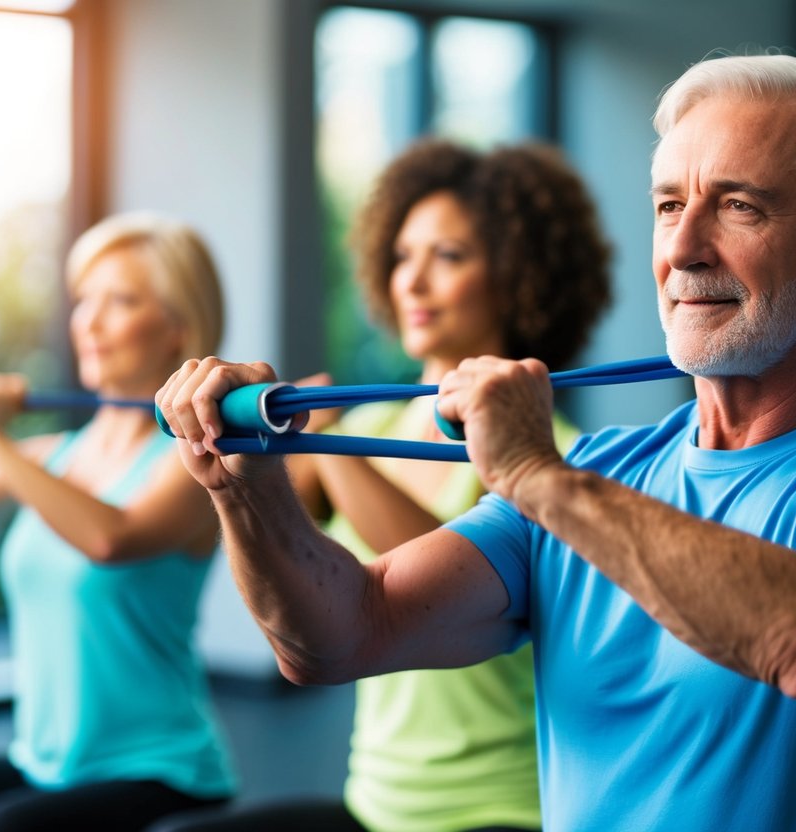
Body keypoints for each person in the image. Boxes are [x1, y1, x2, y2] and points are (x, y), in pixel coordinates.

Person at [156, 53, 796, 831]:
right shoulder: (601, 475)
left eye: (738, 206)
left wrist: (538, 474)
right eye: (669, 206)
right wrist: (244, 487)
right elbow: (340, 633)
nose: (682, 249)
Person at [149, 139, 612, 832]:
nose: (413, 282)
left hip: (498, 811)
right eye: (402, 256)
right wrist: (233, 454)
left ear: (519, 275)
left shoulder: (555, 455)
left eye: (447, 256)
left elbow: (432, 576)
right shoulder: (371, 423)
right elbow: (274, 549)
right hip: (374, 802)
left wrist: (320, 437)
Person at [0, 213, 238, 831]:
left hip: (160, 770)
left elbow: (111, 537)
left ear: (177, 329)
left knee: (6, 828)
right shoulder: (53, 456)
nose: (90, 323)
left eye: (120, 300)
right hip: (46, 766)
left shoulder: (196, 459)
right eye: (84, 300)